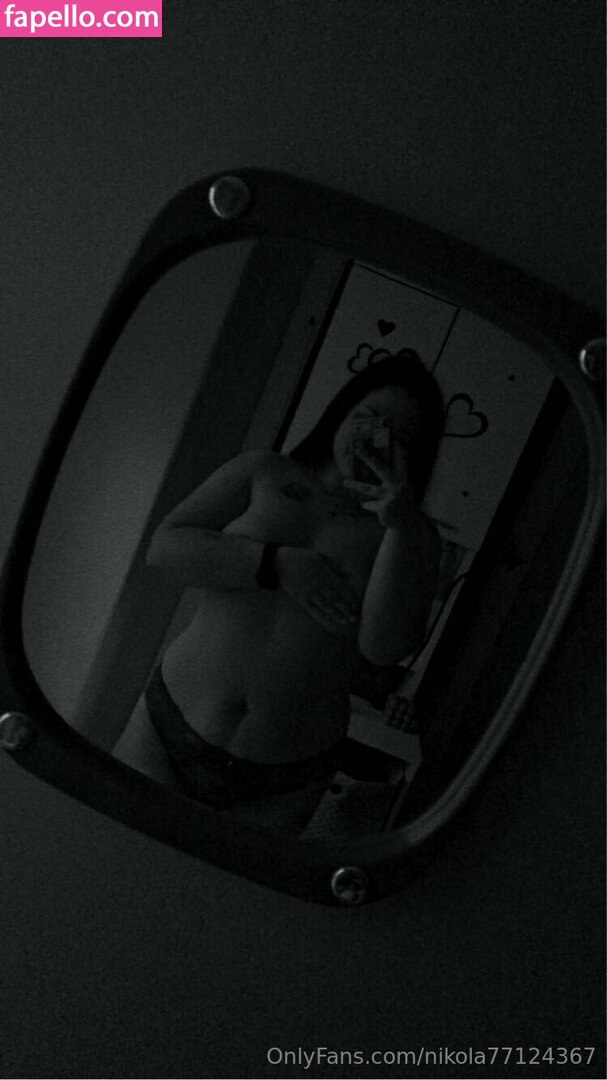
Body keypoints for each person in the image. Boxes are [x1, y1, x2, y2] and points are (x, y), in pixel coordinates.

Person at [113, 350, 444, 835]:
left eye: (400, 438)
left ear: (415, 457)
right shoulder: (263, 471)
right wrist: (277, 564)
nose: (376, 440)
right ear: (342, 412)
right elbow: (164, 550)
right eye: (370, 419)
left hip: (288, 774)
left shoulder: (412, 536)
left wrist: (400, 527)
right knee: (111, 849)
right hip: (168, 726)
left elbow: (384, 647)